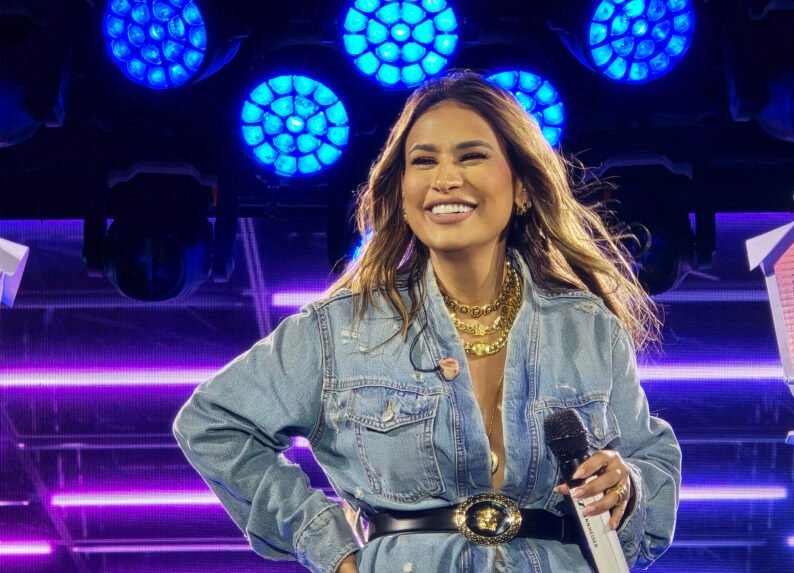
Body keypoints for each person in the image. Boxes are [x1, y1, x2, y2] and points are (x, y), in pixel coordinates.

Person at [173, 70, 681, 573]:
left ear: (523, 187)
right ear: (401, 190)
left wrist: (629, 487)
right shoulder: (341, 329)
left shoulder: (588, 329)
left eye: (472, 156)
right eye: (423, 161)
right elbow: (214, 423)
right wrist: (331, 549)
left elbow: (649, 485)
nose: (445, 179)